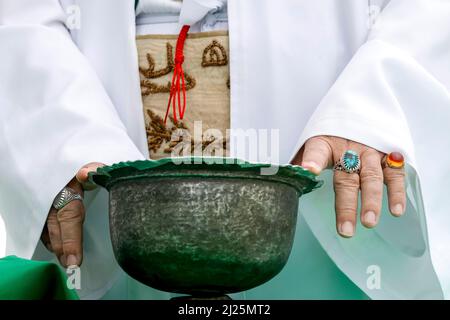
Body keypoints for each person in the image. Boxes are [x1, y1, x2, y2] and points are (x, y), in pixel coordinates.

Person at [0, 0, 449, 299]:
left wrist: (372, 109)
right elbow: (20, 18)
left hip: (331, 168)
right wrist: (60, 136)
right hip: (109, 166)